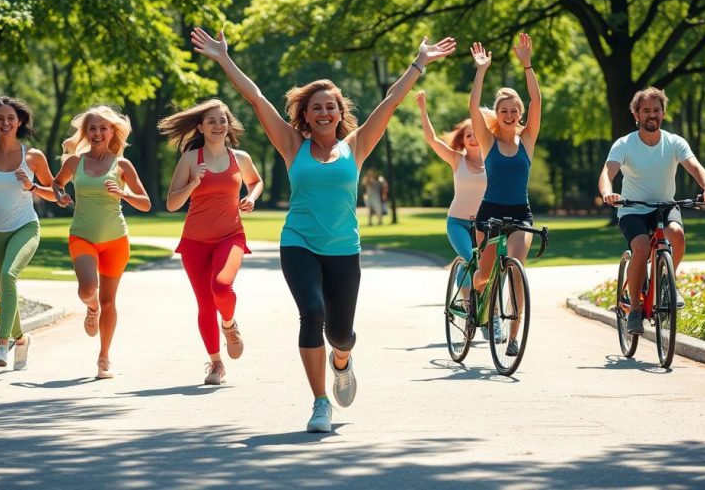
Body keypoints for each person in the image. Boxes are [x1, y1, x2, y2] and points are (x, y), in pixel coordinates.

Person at [191, 26, 455, 432]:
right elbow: (256, 98)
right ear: (306, 114)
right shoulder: (292, 145)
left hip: (343, 249)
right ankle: (319, 403)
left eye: (330, 107)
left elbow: (390, 100)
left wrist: (418, 63)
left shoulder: (358, 145)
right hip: (298, 243)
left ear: (339, 112)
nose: (324, 113)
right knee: (311, 315)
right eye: (316, 108)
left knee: (342, 334)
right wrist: (225, 58)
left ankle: (342, 361)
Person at [159, 99, 264, 385]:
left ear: (228, 125)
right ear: (201, 127)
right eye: (212, 121)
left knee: (221, 287)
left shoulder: (239, 158)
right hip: (195, 241)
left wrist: (251, 198)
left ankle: (229, 325)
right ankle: (216, 364)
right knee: (205, 304)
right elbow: (171, 203)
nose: (218, 126)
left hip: (231, 235)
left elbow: (255, 182)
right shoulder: (191, 159)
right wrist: (193, 184)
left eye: (223, 120)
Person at [598, 87, 705, 334]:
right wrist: (607, 192)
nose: (651, 115)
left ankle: (667, 283)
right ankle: (634, 311)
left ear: (663, 113)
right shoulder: (625, 144)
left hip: (664, 206)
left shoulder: (674, 142)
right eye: (646, 111)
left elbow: (695, 167)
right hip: (632, 209)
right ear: (636, 115)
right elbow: (607, 173)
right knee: (641, 247)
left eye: (656, 110)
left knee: (677, 234)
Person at [52, 105, 152, 378]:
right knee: (87, 290)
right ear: (86, 132)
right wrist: (60, 194)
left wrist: (123, 194)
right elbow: (57, 183)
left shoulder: (122, 165)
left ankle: (104, 357)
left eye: (102, 128)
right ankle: (90, 307)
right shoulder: (74, 162)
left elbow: (145, 203)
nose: (97, 133)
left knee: (110, 301)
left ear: (112, 132)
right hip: (82, 235)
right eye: (92, 128)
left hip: (116, 240)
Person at [0, 96, 57, 370]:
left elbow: (56, 193)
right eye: (0, 119)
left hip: (25, 227)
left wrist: (32, 187)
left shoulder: (33, 156)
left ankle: (2, 343)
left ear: (20, 122)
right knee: (4, 289)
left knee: (9, 275)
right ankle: (21, 338)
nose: (6, 123)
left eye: (11, 118)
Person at [467, 34, 541, 357]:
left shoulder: (526, 141)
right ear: (497, 115)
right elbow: (472, 106)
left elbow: (538, 102)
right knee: (484, 275)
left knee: (516, 266)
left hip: (520, 213)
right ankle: (473, 300)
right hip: (490, 212)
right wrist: (481, 71)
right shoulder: (488, 141)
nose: (510, 115)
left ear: (520, 114)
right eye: (504, 110)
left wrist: (527, 65)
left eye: (514, 110)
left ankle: (513, 334)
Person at [415, 90, 493, 339]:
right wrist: (422, 108)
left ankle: (492, 317)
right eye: (468, 135)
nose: (472, 138)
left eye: (476, 134)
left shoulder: (493, 159)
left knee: (489, 268)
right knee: (470, 258)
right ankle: (467, 303)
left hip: (485, 223)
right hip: (458, 222)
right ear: (463, 139)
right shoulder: (456, 159)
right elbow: (432, 139)